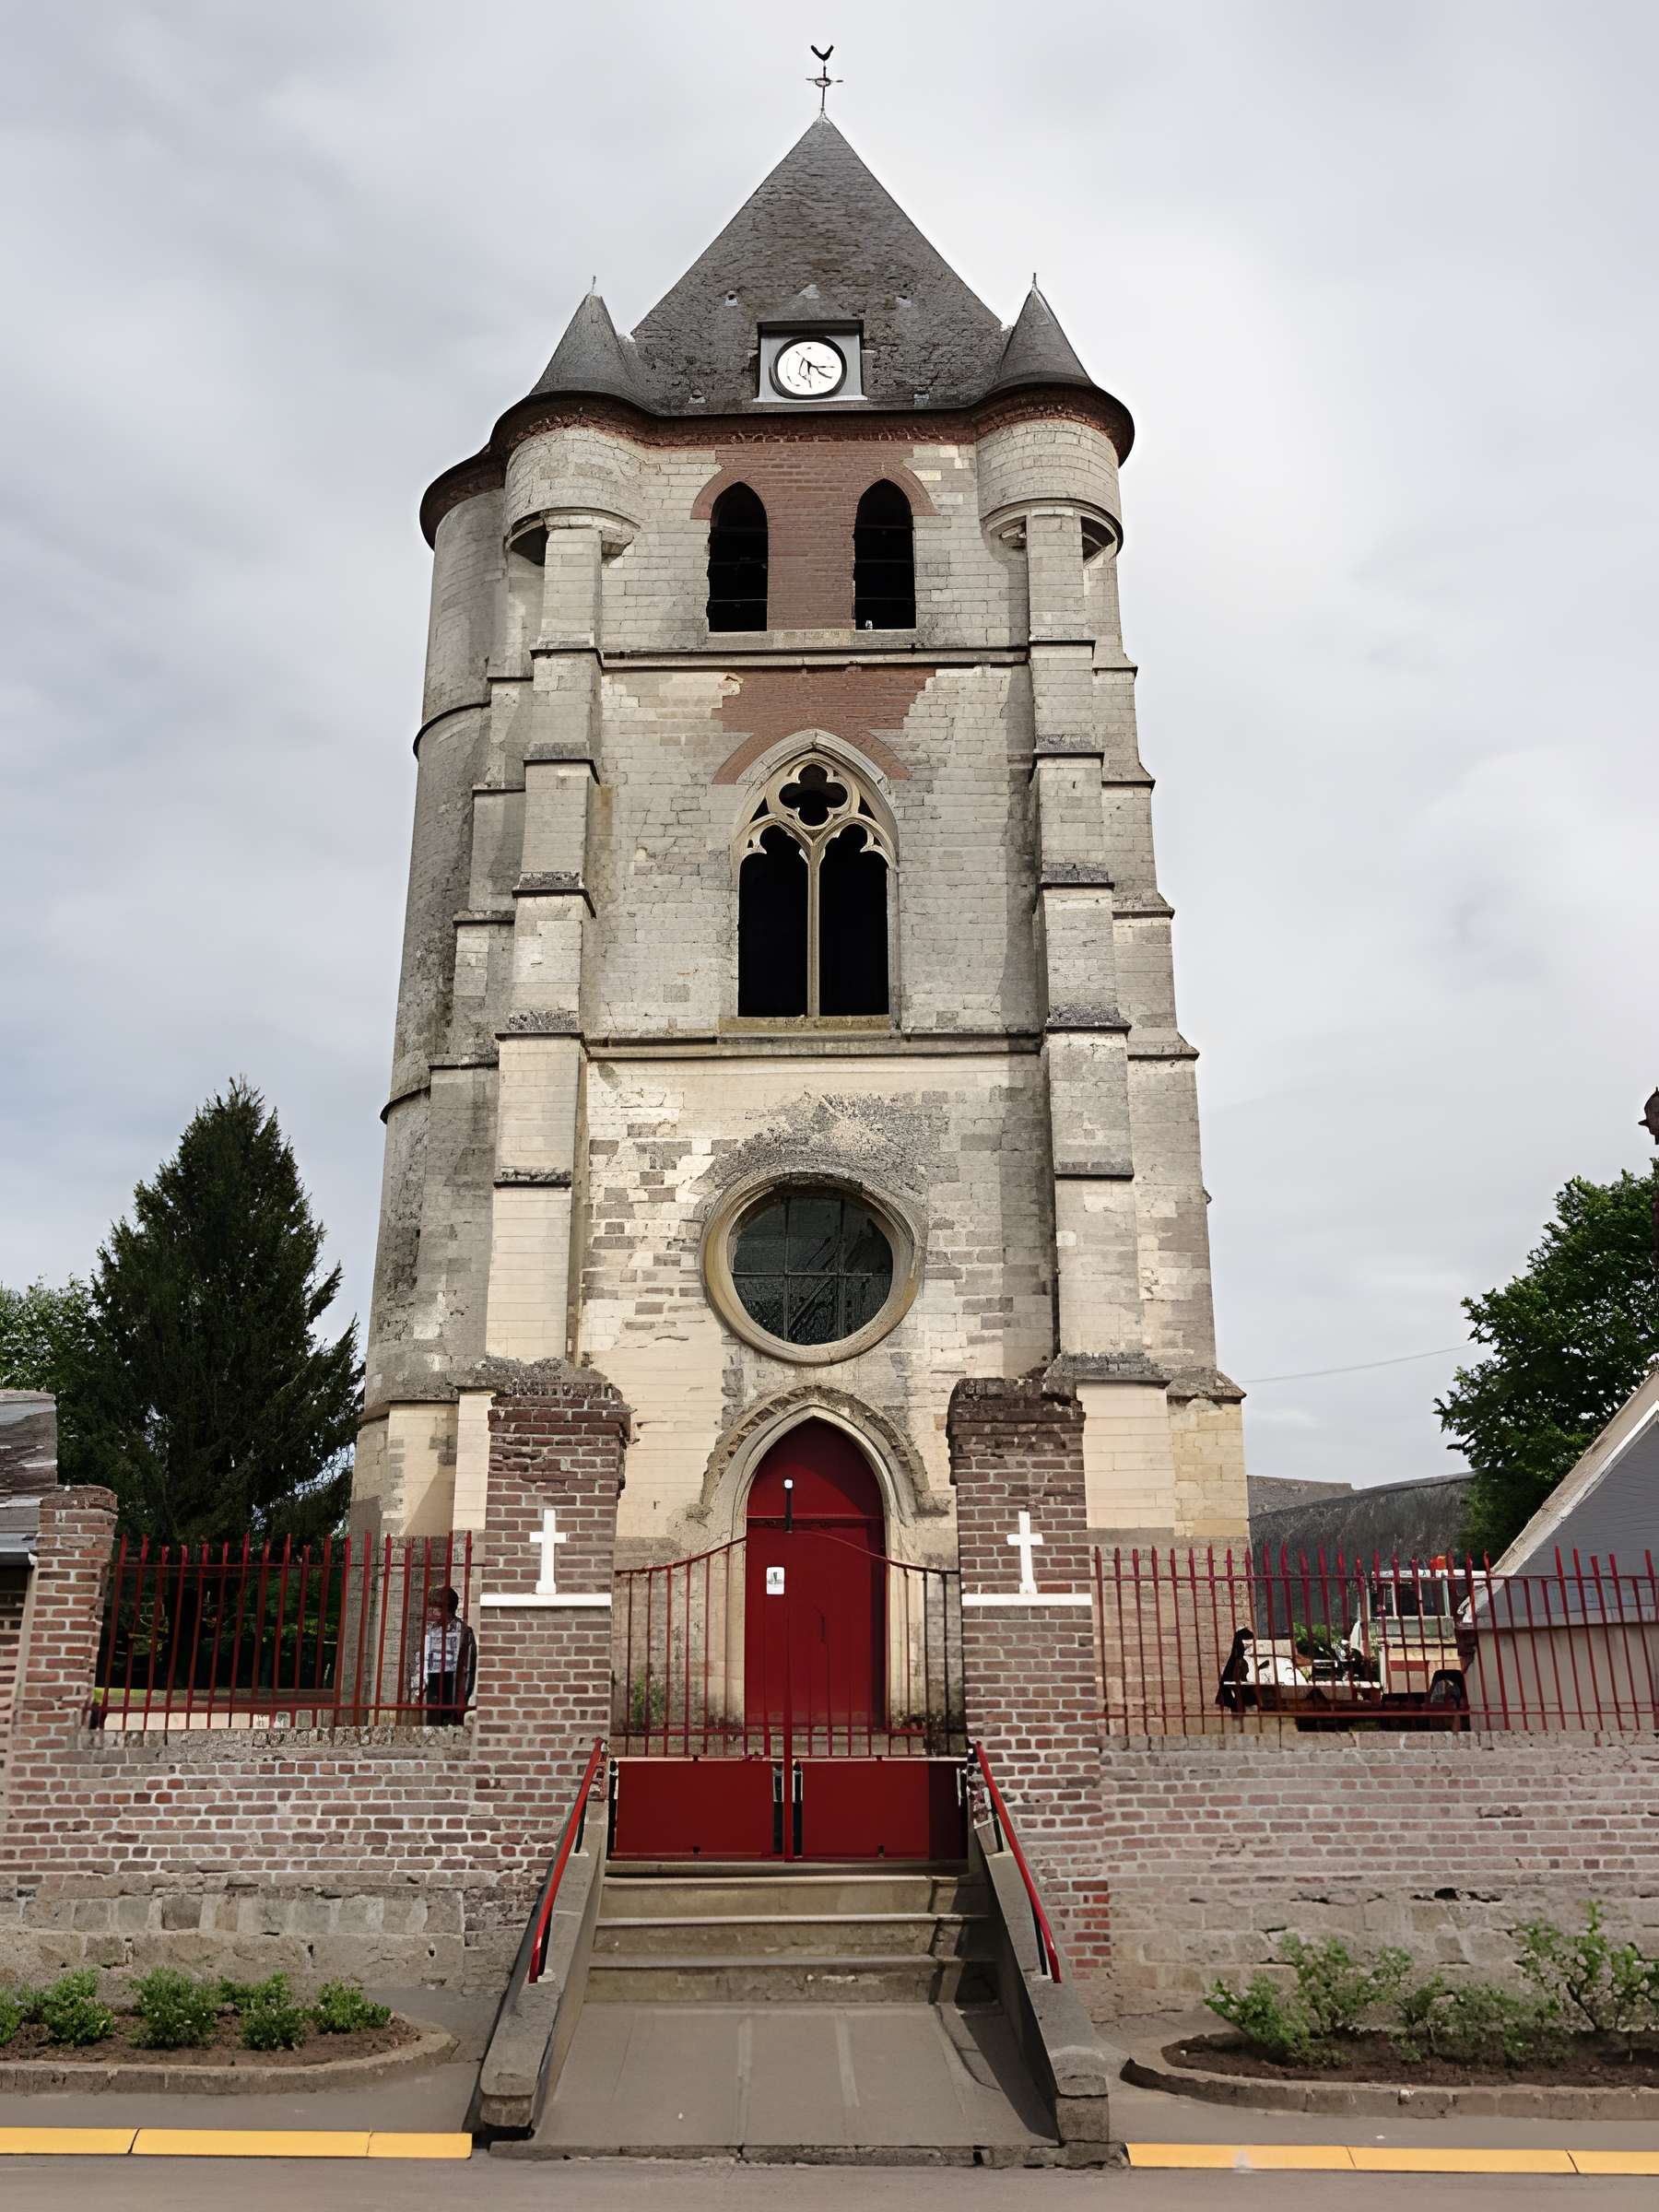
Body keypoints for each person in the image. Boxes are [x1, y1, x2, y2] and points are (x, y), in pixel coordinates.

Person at [413, 1587, 477, 1725]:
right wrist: (420, 1686)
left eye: (436, 1609)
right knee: (433, 1725)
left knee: (453, 1725)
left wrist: (464, 1695)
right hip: (434, 1685)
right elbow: (424, 1658)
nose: (433, 1613)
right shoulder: (432, 1630)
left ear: (446, 1609)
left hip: (454, 1685)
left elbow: (469, 1667)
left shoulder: (464, 1631)